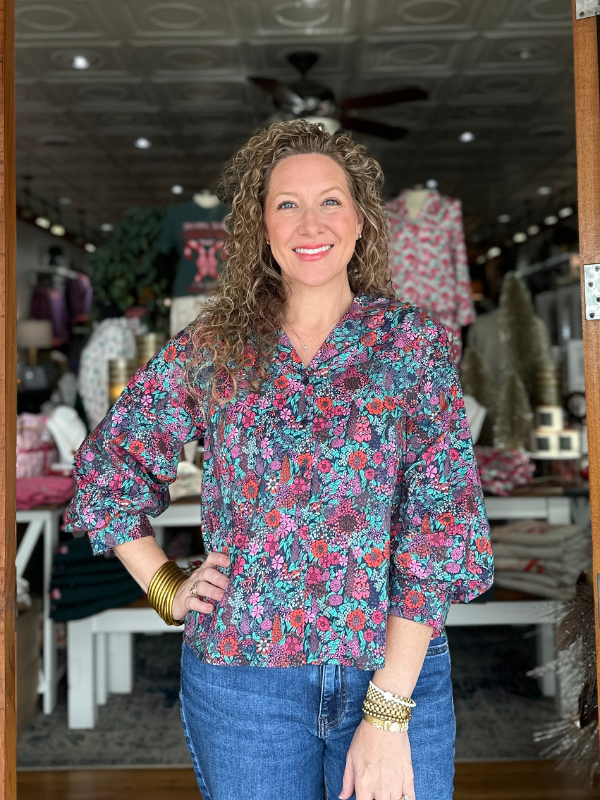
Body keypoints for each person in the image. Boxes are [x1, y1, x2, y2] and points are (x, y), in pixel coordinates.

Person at [65, 119, 493, 800]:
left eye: (330, 200)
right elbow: (109, 464)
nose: (309, 222)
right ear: (262, 229)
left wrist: (387, 710)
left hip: (390, 672)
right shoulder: (216, 346)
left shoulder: (412, 345)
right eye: (286, 204)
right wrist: (164, 583)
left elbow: (440, 526)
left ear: (361, 222)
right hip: (242, 684)